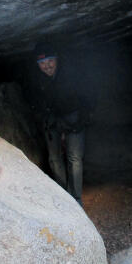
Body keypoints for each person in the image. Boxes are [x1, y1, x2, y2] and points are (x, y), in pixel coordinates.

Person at [29, 42, 93, 206]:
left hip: (73, 116)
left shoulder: (71, 74)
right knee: (55, 159)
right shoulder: (36, 79)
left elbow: (87, 98)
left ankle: (76, 199)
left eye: (50, 61)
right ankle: (65, 198)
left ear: (56, 59)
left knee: (74, 157)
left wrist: (82, 120)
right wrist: (48, 120)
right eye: (42, 63)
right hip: (51, 119)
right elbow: (34, 103)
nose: (47, 66)